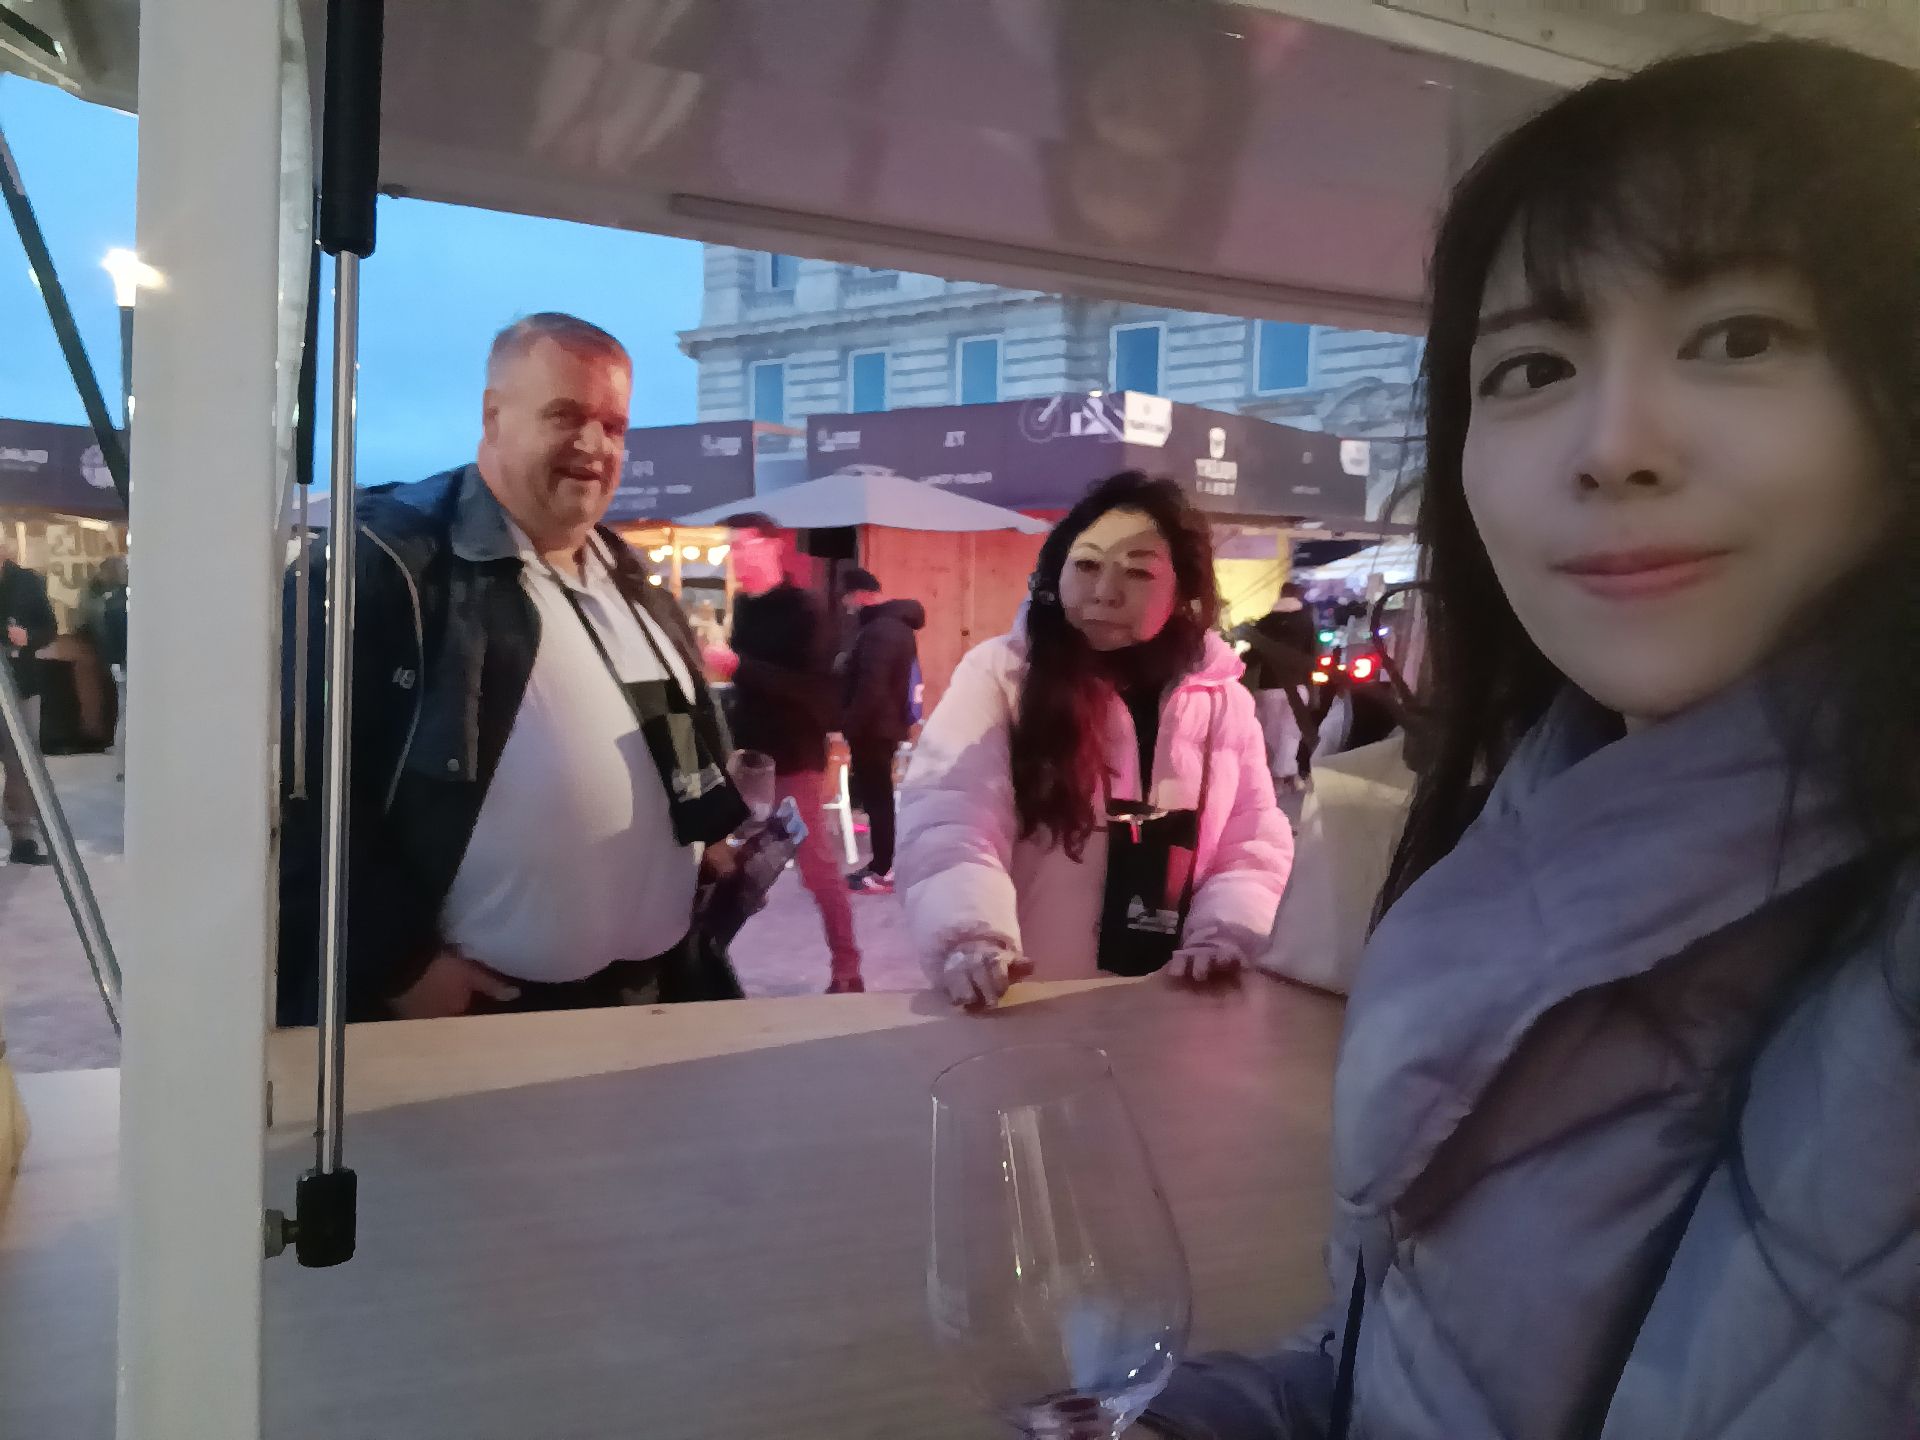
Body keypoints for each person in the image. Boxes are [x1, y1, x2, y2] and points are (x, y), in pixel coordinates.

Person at [1142, 40, 1920, 1439]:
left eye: (1741, 338)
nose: (1612, 444)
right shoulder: (1530, 819)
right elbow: (1401, 1375)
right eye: (1534, 366)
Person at [276, 313, 742, 1025]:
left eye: (614, 426)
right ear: (493, 417)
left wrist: (704, 831)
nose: (594, 446)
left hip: (653, 995)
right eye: (566, 416)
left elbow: (665, 722)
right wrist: (398, 964)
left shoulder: (621, 570)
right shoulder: (388, 562)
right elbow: (296, 792)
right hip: (482, 1016)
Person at [897, 472, 1292, 1010]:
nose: (1105, 591)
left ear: (1182, 590)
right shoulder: (1002, 675)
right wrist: (971, 936)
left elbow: (1251, 843)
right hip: (1031, 997)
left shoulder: (1220, 698)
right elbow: (949, 819)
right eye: (1086, 565)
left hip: (1174, 1004)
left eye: (1138, 572)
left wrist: (1226, 935)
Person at [703, 515, 866, 993]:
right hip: (747, 757)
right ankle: (705, 959)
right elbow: (750, 684)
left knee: (816, 867)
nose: (737, 558)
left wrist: (738, 666)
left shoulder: (804, 610)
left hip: (794, 755)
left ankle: (847, 967)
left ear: (774, 548)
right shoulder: (744, 606)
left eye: (745, 546)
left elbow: (816, 694)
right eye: (732, 549)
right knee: (721, 861)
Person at [837, 567, 925, 895]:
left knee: (879, 801)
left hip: (874, 729)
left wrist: (848, 726)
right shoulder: (893, 626)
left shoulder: (881, 630)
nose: (846, 604)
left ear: (860, 594)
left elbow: (871, 687)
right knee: (878, 800)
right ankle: (881, 864)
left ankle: (884, 869)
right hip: (881, 726)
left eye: (847, 597)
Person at [0, 534, 54, 866]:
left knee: (22, 760)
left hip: (21, 683)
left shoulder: (27, 582)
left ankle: (23, 837)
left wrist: (28, 636)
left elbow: (49, 627)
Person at [1239, 581, 1320, 792]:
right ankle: (1289, 775)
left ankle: (1273, 778)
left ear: (1281, 594)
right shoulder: (1306, 621)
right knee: (1291, 733)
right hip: (1298, 686)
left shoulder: (1265, 622)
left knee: (1269, 734)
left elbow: (1253, 656)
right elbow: (1313, 654)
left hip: (1268, 686)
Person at [79, 556, 129, 781]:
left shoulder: (109, 599)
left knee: (124, 711)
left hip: (119, 661)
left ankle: (122, 764)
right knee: (127, 712)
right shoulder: (118, 600)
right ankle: (124, 764)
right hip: (124, 661)